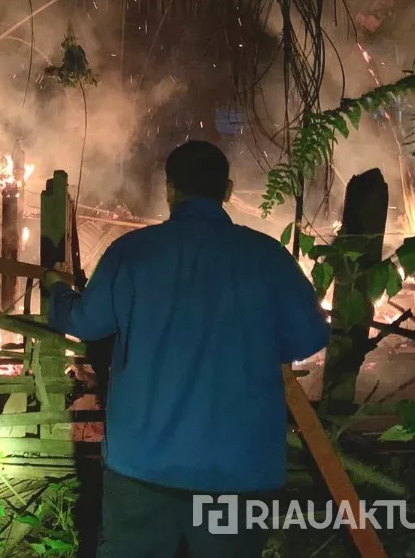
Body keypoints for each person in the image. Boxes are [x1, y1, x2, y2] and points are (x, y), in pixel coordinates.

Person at [41, 141, 330, 558]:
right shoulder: (267, 257)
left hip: (142, 466)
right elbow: (311, 337)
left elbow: (84, 322)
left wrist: (58, 291)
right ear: (228, 191)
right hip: (238, 472)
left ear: (169, 189)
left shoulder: (133, 252)